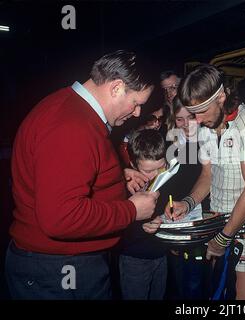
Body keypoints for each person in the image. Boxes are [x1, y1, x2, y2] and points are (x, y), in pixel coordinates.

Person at [6, 50, 160, 300]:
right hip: (59, 270)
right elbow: (61, 218)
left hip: (54, 265)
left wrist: (117, 177)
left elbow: (69, 171)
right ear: (117, 87)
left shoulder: (67, 108)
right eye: (137, 103)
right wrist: (131, 211)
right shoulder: (72, 127)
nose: (137, 113)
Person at [166, 64, 245, 300]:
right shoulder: (205, 128)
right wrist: (188, 202)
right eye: (193, 113)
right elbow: (208, 175)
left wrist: (224, 238)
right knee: (217, 293)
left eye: (201, 111)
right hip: (216, 223)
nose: (198, 120)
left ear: (221, 97)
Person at [164, 97, 210, 300]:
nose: (185, 124)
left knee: (196, 280)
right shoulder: (171, 140)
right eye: (179, 119)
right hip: (177, 219)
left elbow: (207, 178)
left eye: (190, 117)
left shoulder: (209, 138)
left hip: (203, 218)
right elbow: (168, 183)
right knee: (179, 279)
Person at [118, 128, 168, 300]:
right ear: (133, 165)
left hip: (161, 254)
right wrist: (140, 225)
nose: (155, 175)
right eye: (148, 170)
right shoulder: (125, 187)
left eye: (160, 167)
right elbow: (116, 225)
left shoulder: (164, 177)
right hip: (134, 258)